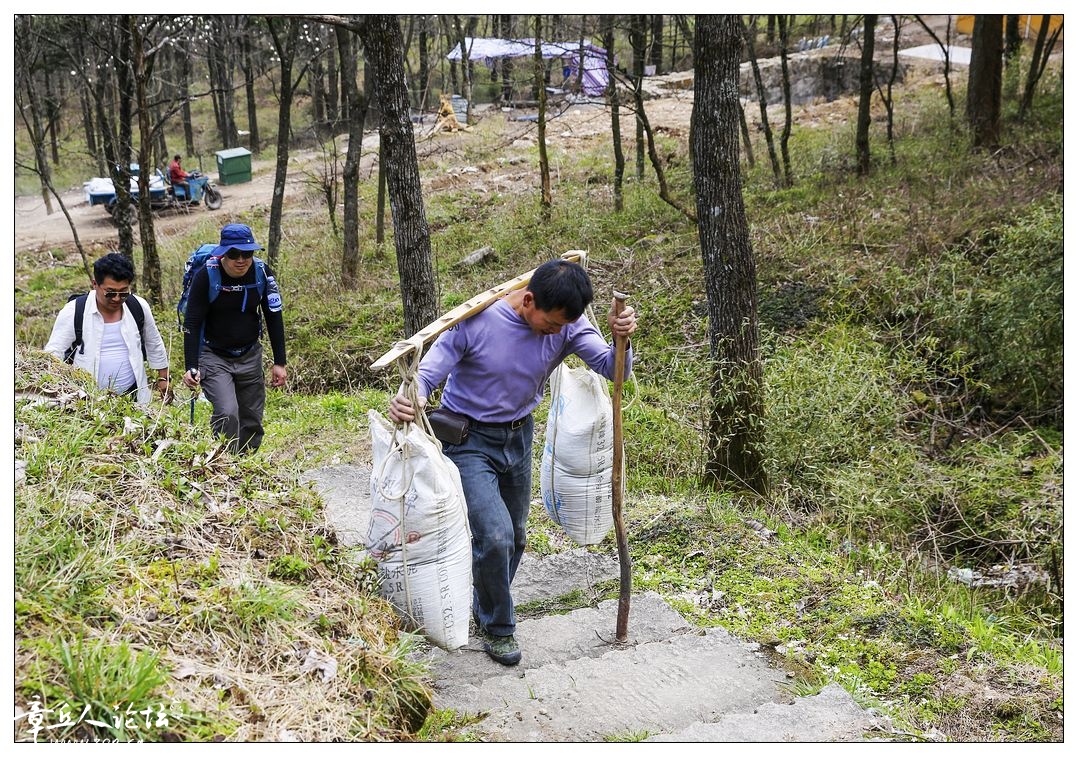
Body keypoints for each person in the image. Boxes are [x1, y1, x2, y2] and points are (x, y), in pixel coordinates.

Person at [388, 259, 638, 666]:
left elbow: (614, 370)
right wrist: (412, 396)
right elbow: (427, 375)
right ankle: (498, 626)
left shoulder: (568, 324)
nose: (556, 333)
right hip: (467, 440)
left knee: (516, 537)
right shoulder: (477, 321)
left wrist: (621, 338)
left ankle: (484, 601)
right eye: (551, 324)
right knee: (497, 536)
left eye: (563, 326)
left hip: (518, 437)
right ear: (527, 300)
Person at [181, 223, 287, 454]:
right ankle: (226, 462)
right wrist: (191, 365)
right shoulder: (206, 276)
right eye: (234, 254)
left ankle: (246, 461)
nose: (241, 260)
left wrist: (279, 362)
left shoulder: (262, 272)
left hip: (249, 355)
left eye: (247, 253)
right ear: (222, 253)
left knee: (252, 417)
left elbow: (274, 316)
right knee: (227, 412)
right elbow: (192, 323)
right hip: (214, 356)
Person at [44, 252, 172, 404]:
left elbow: (154, 343)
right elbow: (53, 354)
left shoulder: (138, 306)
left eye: (123, 293)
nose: (117, 299)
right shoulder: (74, 311)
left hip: (135, 398)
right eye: (110, 293)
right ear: (95, 284)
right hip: (87, 401)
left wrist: (163, 379)